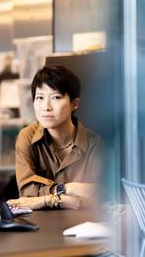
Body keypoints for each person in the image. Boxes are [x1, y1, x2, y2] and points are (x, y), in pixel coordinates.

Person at [8, 65, 102, 210]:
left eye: (56, 97)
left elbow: (99, 195)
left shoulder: (95, 144)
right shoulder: (27, 136)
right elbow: (27, 192)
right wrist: (65, 192)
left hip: (83, 224)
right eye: (39, 97)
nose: (46, 107)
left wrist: (46, 198)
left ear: (74, 104)